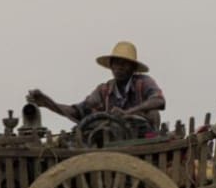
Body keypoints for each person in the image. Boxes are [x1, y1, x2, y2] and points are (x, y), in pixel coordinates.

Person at [26, 40, 166, 131]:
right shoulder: (103, 91)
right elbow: (77, 111)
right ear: (110, 66)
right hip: (111, 146)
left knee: (152, 112)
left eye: (124, 63)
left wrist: (128, 113)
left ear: (133, 68)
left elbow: (159, 101)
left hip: (143, 141)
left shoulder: (143, 82)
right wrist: (47, 103)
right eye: (115, 63)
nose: (119, 67)